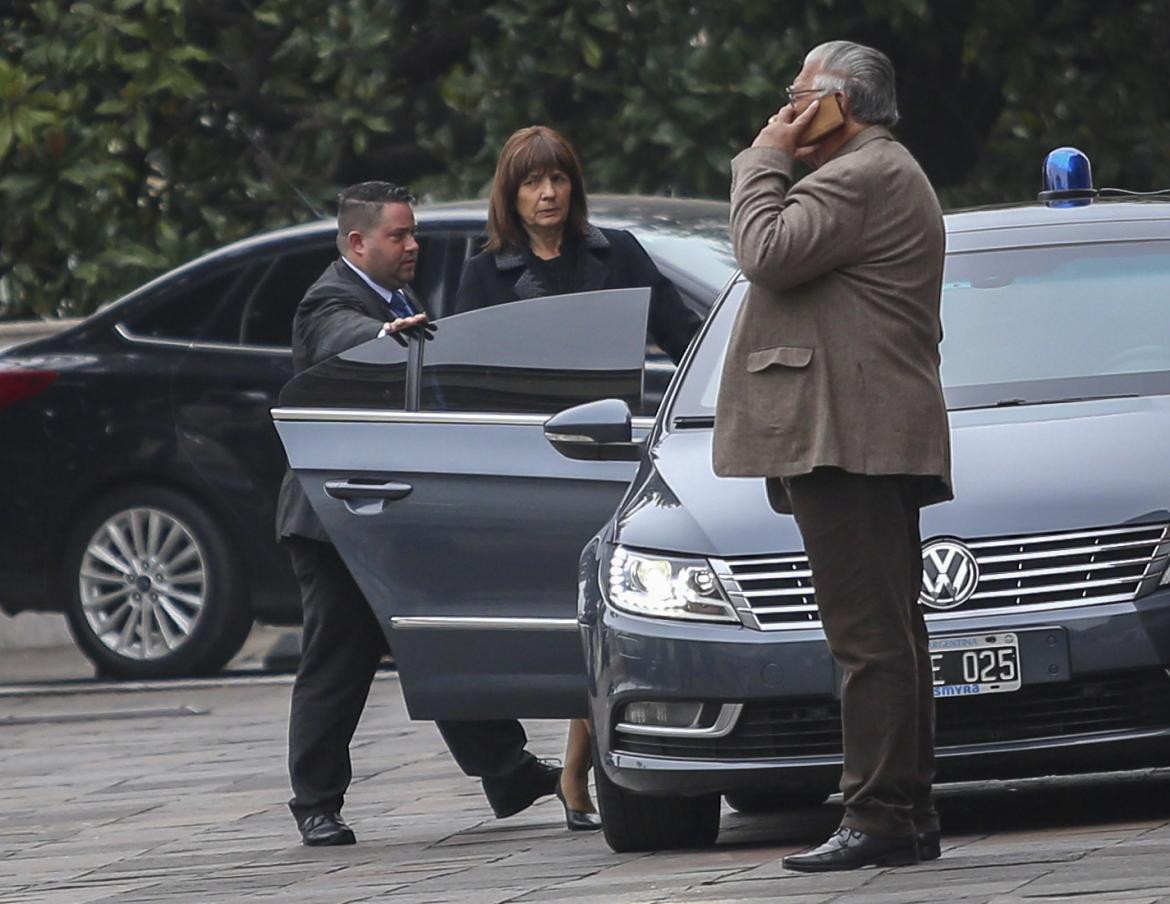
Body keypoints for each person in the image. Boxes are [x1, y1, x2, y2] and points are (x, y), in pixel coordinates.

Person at [713, 42, 952, 872]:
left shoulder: (860, 174)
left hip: (851, 438)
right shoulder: (879, 171)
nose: (786, 107)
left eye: (799, 95)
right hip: (864, 432)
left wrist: (763, 157)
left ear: (839, 104)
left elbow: (764, 250)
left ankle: (878, 813)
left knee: (868, 641)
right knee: (891, 634)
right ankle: (905, 812)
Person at [276, 181, 560, 847]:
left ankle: (507, 771)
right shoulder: (336, 300)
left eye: (412, 232)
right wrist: (382, 335)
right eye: (398, 236)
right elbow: (336, 340)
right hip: (335, 516)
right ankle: (314, 803)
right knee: (337, 659)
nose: (413, 245)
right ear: (358, 243)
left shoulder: (398, 297)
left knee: (441, 638)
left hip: (394, 508)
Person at [455, 126, 702, 830]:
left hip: (611, 453)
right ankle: (571, 774)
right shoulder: (485, 274)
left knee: (605, 610)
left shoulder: (615, 252)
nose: (548, 194)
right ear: (511, 192)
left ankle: (574, 773)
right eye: (533, 182)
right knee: (568, 620)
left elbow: (683, 335)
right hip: (534, 461)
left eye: (558, 179)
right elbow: (471, 380)